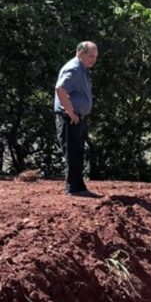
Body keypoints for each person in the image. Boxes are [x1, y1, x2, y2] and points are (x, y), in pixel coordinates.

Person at [54, 41, 98, 196]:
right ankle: (74, 189)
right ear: (80, 53)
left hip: (77, 118)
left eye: (95, 57)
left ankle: (78, 187)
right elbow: (60, 89)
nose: (93, 60)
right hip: (69, 118)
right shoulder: (74, 68)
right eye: (90, 56)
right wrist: (71, 112)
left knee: (78, 151)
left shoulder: (82, 69)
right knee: (73, 152)